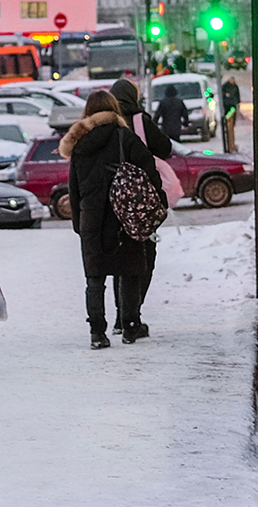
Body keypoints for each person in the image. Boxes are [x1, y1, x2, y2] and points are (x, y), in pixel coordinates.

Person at [60, 90, 159, 350]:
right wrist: (155, 205)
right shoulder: (125, 137)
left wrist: (79, 223)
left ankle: (97, 333)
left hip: (92, 218)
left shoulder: (80, 144)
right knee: (129, 272)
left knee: (95, 278)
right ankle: (129, 327)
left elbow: (74, 189)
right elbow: (149, 172)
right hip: (125, 215)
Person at [110, 79, 170, 340]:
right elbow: (165, 148)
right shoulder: (138, 121)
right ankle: (131, 316)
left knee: (118, 260)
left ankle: (119, 317)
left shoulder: (102, 123)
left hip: (109, 202)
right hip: (138, 202)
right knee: (144, 258)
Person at [221, 76, 242, 153]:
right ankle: (230, 146)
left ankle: (231, 146)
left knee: (231, 127)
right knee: (229, 127)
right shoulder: (225, 87)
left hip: (232, 108)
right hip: (229, 108)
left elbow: (237, 97)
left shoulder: (234, 87)